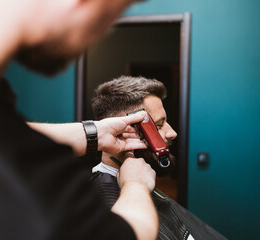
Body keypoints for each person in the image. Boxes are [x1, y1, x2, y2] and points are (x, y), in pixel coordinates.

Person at [0, 0, 159, 239]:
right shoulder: (37, 199)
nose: (103, 30)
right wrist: (136, 184)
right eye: (115, 11)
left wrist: (94, 133)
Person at [91, 76, 227, 240]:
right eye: (159, 125)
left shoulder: (139, 182)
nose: (172, 133)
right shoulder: (104, 203)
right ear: (124, 131)